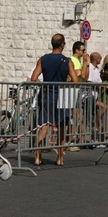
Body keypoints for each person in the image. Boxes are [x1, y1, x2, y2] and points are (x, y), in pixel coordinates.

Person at [31, 33, 78, 166]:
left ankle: (37, 157)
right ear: (62, 45)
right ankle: (59, 158)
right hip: (62, 96)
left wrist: (44, 85)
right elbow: (75, 81)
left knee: (43, 127)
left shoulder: (43, 59)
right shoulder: (67, 61)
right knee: (62, 127)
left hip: (47, 95)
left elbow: (34, 78)